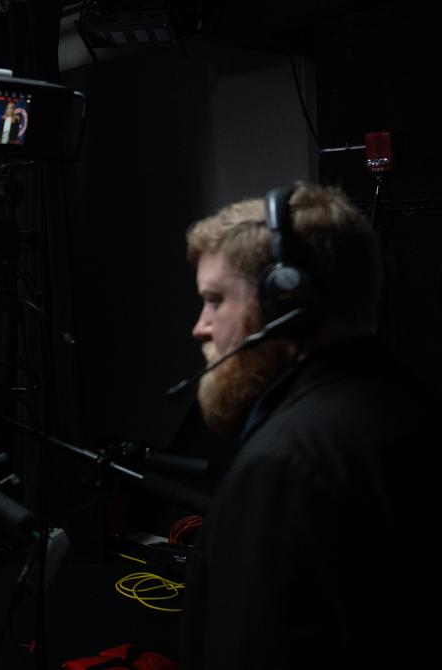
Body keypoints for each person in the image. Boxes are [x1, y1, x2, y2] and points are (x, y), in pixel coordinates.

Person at [179, 182, 434, 668]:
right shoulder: (409, 405)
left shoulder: (287, 464)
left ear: (283, 304)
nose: (200, 326)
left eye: (214, 299)